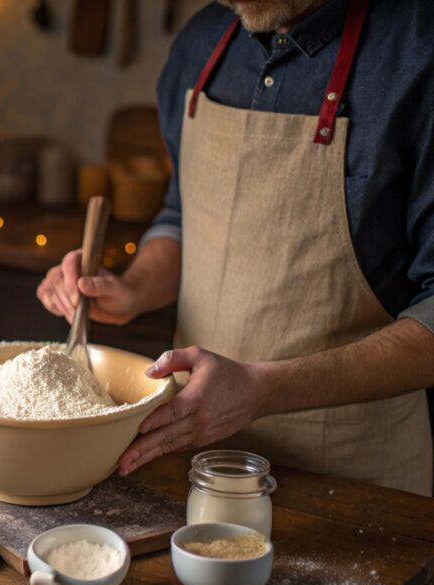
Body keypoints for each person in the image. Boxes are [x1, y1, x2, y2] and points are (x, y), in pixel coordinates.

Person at [37, 0, 434, 495]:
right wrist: (133, 288)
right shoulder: (202, 40)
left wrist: (261, 389)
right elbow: (184, 217)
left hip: (355, 480)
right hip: (198, 461)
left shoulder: (417, 52)